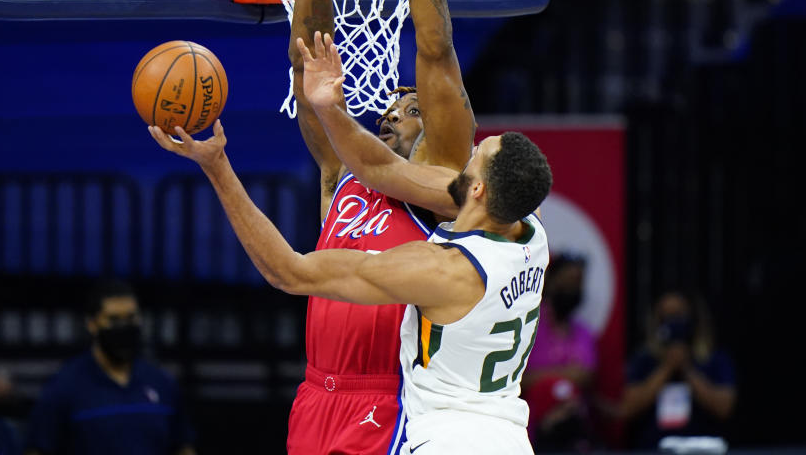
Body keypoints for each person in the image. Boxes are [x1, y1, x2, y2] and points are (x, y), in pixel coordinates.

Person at [148, 32, 553, 455]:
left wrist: (216, 166)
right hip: (506, 434)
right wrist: (326, 107)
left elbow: (289, 271)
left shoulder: (440, 268)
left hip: (445, 437)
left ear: (477, 190)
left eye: (474, 156)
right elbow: (378, 165)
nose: (466, 152)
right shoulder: (530, 229)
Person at [278, 0, 475, 454]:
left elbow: (436, 50)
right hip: (313, 396)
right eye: (387, 106)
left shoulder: (438, 182)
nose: (392, 113)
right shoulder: (344, 171)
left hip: (383, 400)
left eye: (409, 107)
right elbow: (306, 53)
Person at [24, 280, 196, 455]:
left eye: (131, 318)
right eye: (114, 320)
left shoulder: (162, 383)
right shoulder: (64, 387)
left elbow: (183, 447)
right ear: (92, 324)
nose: (123, 327)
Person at [621, 289, 737, 449]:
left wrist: (687, 369)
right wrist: (667, 368)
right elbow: (627, 408)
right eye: (665, 316)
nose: (672, 321)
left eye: (678, 314)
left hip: (703, 448)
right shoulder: (644, 360)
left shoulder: (714, 358)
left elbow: (724, 408)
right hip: (654, 448)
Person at [519, 253, 597, 451]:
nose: (574, 289)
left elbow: (585, 375)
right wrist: (566, 374)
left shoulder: (583, 332)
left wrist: (543, 376)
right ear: (552, 281)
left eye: (578, 283)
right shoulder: (530, 325)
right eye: (569, 281)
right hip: (532, 433)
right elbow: (518, 378)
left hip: (574, 435)